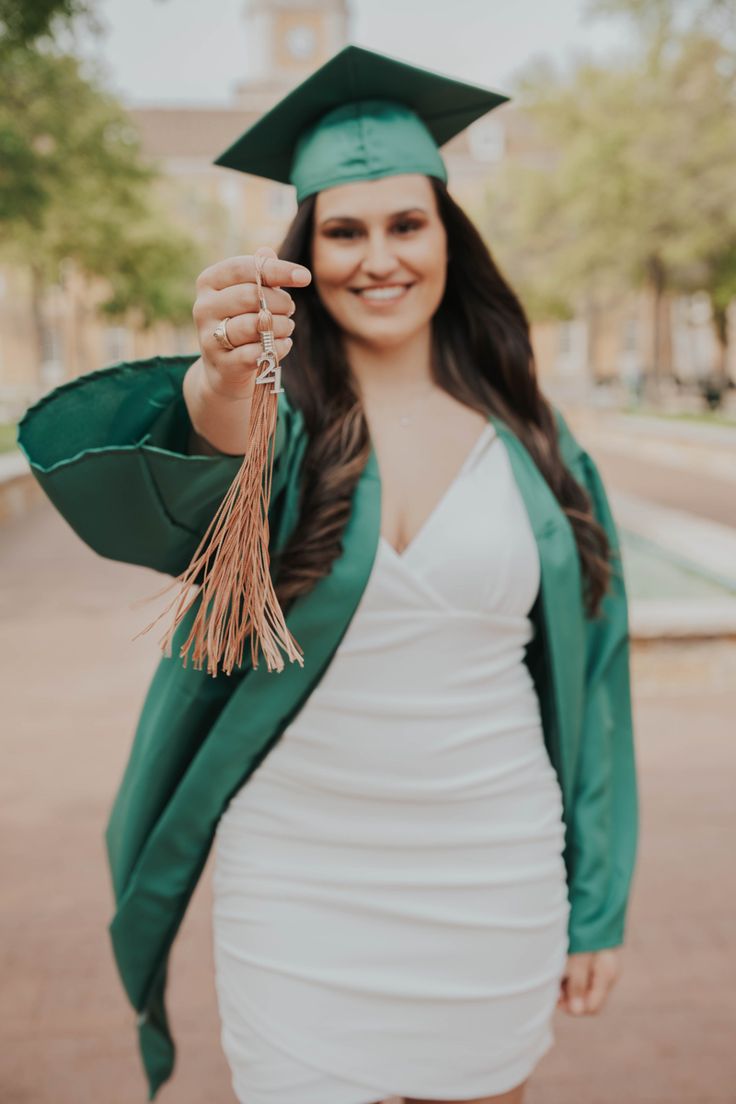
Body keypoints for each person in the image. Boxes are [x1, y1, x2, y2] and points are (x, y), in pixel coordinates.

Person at [17, 44, 639, 1104]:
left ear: (450, 236)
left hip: (491, 869)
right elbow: (173, 500)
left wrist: (598, 903)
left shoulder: (534, 443)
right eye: (342, 231)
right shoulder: (276, 429)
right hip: (300, 880)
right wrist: (218, 382)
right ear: (304, 249)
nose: (377, 257)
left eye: (406, 223)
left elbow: (598, 679)